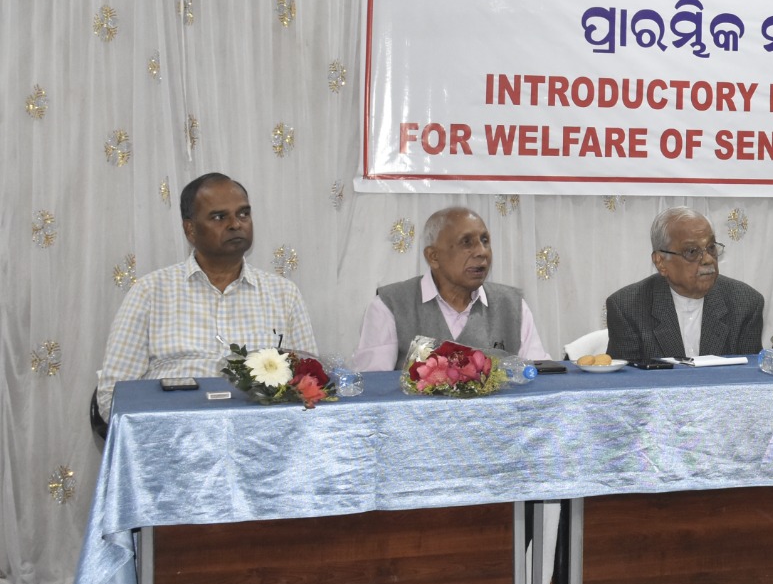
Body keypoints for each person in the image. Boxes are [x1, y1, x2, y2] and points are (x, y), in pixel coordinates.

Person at [95, 173, 316, 418]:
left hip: (259, 432)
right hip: (174, 433)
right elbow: (113, 395)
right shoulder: (150, 293)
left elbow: (311, 385)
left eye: (243, 214)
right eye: (219, 217)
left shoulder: (284, 294)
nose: (235, 224)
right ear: (190, 229)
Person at [352, 205, 547, 370]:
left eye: (485, 241)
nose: (481, 252)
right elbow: (375, 388)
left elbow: (541, 380)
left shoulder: (512, 306)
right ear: (433, 257)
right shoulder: (389, 306)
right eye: (466, 242)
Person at [605, 207, 764, 360]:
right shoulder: (628, 308)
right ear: (661, 262)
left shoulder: (745, 303)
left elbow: (749, 375)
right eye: (692, 251)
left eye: (711, 248)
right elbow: (627, 377)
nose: (708, 259)